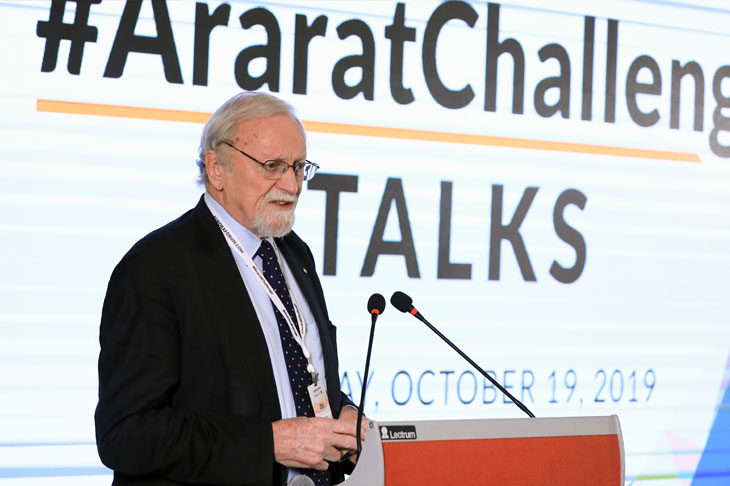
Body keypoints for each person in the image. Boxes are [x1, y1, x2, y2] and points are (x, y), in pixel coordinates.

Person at [95, 91, 365, 486]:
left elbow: (297, 377)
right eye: (272, 166)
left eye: (298, 167)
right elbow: (126, 434)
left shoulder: (295, 253)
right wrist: (266, 444)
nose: (291, 184)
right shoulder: (155, 268)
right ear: (217, 168)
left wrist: (343, 416)